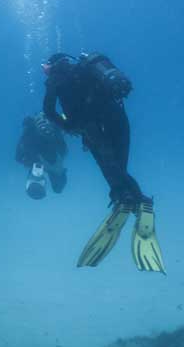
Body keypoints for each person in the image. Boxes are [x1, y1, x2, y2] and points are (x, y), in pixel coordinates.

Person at [41, 52, 165, 273]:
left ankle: (126, 198)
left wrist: (68, 126)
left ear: (51, 66)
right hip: (117, 117)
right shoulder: (86, 67)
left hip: (92, 127)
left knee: (110, 167)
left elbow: (49, 111)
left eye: (45, 68)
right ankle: (133, 200)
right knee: (119, 166)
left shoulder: (55, 79)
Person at [15, 112, 67, 199]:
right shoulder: (55, 162)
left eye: (34, 179)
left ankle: (61, 117)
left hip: (47, 139)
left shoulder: (25, 157)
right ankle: (61, 117)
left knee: (58, 187)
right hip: (51, 134)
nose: (37, 176)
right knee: (58, 187)